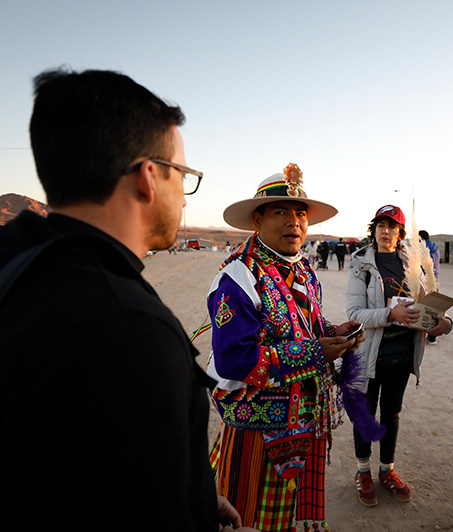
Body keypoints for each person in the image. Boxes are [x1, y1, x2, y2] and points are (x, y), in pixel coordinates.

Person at [0, 68, 253, 531]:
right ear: (148, 176)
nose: (183, 194)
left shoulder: (20, 266)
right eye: (183, 175)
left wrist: (193, 491)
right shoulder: (126, 328)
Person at [207, 164, 364, 532]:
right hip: (256, 434)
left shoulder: (303, 269)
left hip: (304, 420)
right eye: (281, 212)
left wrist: (335, 330)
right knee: (246, 516)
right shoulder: (238, 277)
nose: (294, 222)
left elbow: (307, 322)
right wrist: (315, 354)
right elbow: (234, 360)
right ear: (257, 221)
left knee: (291, 517)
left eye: (300, 213)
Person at [346, 205, 453, 507]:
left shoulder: (414, 263)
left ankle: (386, 471)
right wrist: (390, 314)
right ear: (374, 229)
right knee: (366, 415)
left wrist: (442, 324)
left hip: (403, 357)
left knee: (391, 414)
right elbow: (354, 314)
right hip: (370, 356)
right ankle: (363, 471)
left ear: (400, 233)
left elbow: (428, 305)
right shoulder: (361, 264)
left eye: (392, 226)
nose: (385, 230)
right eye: (380, 224)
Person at [419, 229, 441, 345]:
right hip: (434, 281)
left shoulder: (420, 248)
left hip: (423, 281)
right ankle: (433, 337)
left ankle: (426, 334)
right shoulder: (435, 247)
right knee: (434, 309)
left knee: (424, 309)